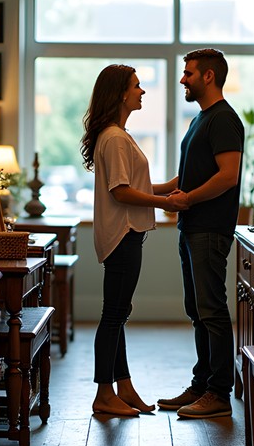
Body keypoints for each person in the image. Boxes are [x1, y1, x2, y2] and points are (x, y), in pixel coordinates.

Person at [81, 64, 189, 417]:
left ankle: (123, 387)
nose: (142, 91)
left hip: (127, 234)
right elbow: (122, 192)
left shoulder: (118, 135)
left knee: (119, 313)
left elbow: (134, 185)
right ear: (120, 94)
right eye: (137, 86)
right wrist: (165, 202)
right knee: (113, 315)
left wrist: (169, 184)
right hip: (123, 234)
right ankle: (103, 393)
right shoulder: (114, 138)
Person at [157, 49, 244, 419]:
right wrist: (148, 190)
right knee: (197, 310)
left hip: (209, 228)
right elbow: (187, 178)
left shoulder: (224, 119)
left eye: (188, 73)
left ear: (208, 76)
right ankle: (202, 383)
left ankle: (219, 393)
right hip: (192, 226)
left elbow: (228, 176)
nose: (182, 80)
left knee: (211, 311)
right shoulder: (201, 120)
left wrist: (187, 200)